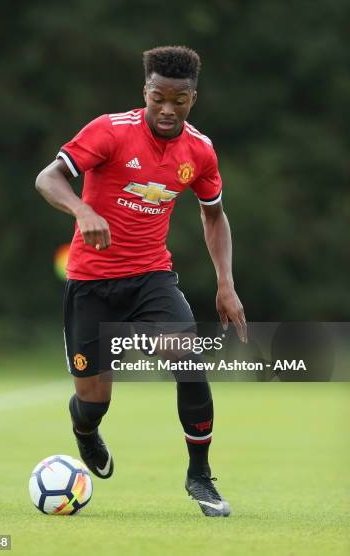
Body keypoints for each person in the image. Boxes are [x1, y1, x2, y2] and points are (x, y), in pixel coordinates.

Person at [35, 45, 247, 517]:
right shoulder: (109, 131)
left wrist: (225, 283)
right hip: (90, 282)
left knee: (188, 357)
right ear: (145, 92)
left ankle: (200, 477)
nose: (168, 109)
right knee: (93, 400)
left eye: (180, 99)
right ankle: (85, 430)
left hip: (151, 277)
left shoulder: (200, 150)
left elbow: (214, 216)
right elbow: (48, 179)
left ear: (194, 97)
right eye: (159, 98)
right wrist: (81, 208)